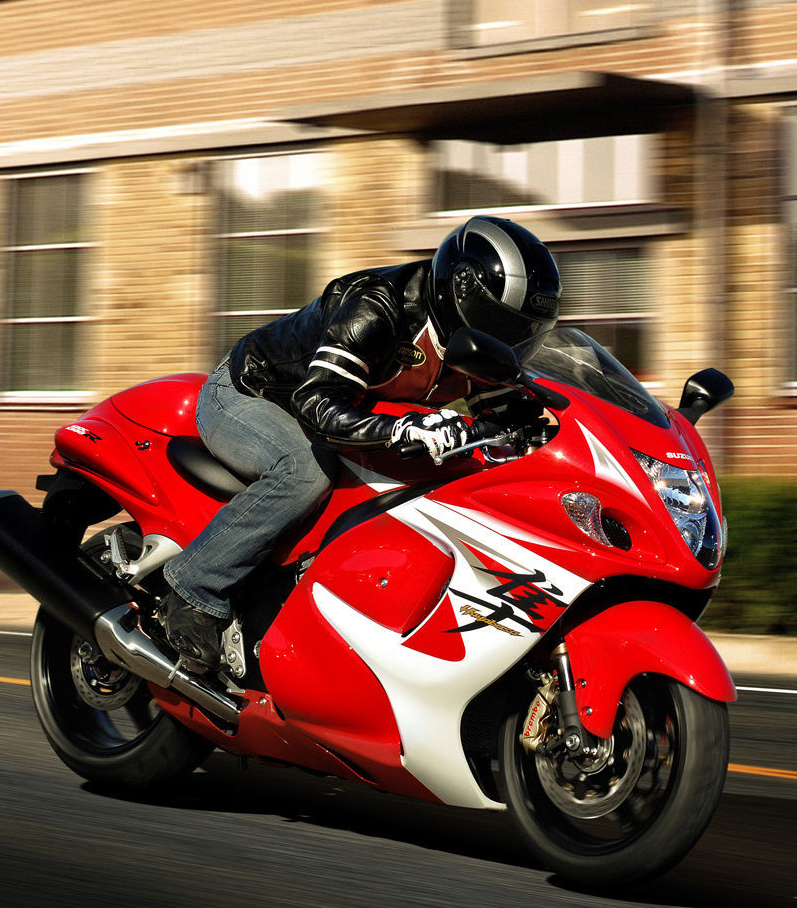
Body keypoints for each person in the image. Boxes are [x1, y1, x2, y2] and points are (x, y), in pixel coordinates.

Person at [159, 215, 562, 666]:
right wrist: (402, 429)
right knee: (303, 473)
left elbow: (513, 407)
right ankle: (194, 588)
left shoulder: (474, 341)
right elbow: (316, 403)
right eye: (504, 325)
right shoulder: (380, 307)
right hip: (253, 393)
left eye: (525, 331)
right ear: (462, 294)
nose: (510, 343)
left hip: (336, 410)